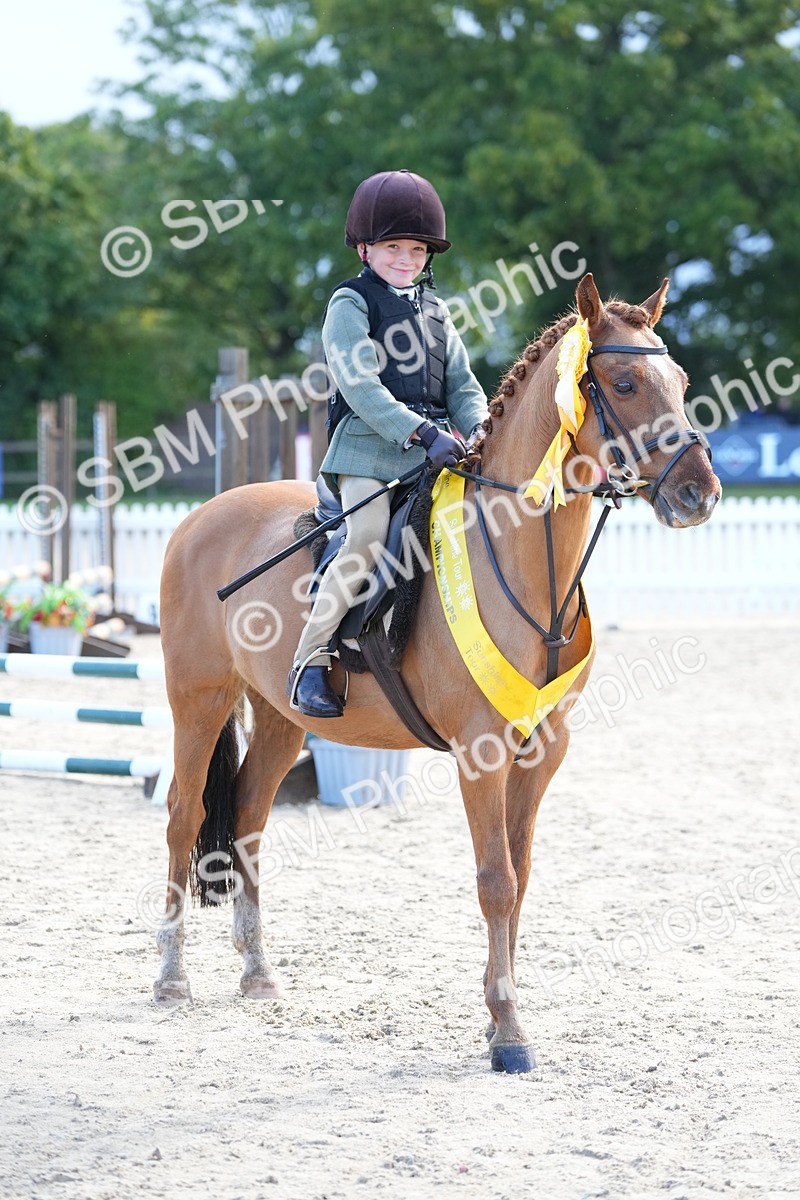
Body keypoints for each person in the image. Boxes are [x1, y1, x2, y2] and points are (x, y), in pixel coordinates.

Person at [289, 169, 489, 718]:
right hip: (367, 449)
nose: (406, 258)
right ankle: (308, 660)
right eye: (392, 247)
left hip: (435, 448)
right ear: (364, 248)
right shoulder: (350, 304)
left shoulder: (437, 312)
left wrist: (477, 429)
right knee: (370, 536)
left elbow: (463, 386)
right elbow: (359, 384)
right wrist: (422, 432)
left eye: (417, 248)